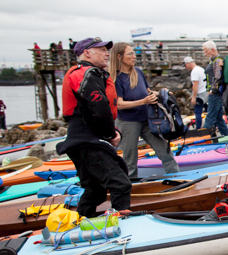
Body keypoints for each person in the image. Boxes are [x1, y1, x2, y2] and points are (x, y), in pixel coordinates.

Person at [56, 38, 131, 217]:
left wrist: (111, 132)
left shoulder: (89, 73)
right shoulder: (86, 74)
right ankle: (123, 222)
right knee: (120, 183)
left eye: (107, 50)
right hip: (86, 140)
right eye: (102, 50)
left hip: (81, 140)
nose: (107, 54)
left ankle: (81, 220)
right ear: (87, 53)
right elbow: (99, 107)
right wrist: (110, 134)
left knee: (95, 190)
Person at [108, 42, 179, 180]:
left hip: (147, 120)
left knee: (164, 150)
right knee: (130, 159)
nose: (134, 56)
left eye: (134, 53)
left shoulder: (138, 72)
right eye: (130, 54)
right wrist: (143, 101)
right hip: (127, 123)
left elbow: (147, 92)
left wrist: (161, 93)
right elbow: (119, 105)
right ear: (119, 56)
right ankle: (131, 185)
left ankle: (176, 177)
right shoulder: (116, 78)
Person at [201, 40, 228, 137]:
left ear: (212, 49)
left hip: (215, 93)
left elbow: (218, 77)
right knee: (218, 118)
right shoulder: (214, 60)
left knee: (210, 116)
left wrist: (212, 90)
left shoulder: (217, 60)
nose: (205, 54)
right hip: (216, 93)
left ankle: (204, 136)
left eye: (206, 51)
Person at [184, 57, 207, 129]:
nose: (186, 67)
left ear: (189, 63)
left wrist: (193, 97)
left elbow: (195, 85)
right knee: (208, 111)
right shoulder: (201, 69)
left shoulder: (194, 72)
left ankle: (198, 128)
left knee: (198, 112)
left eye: (185, 65)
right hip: (205, 92)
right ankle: (210, 127)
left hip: (199, 94)